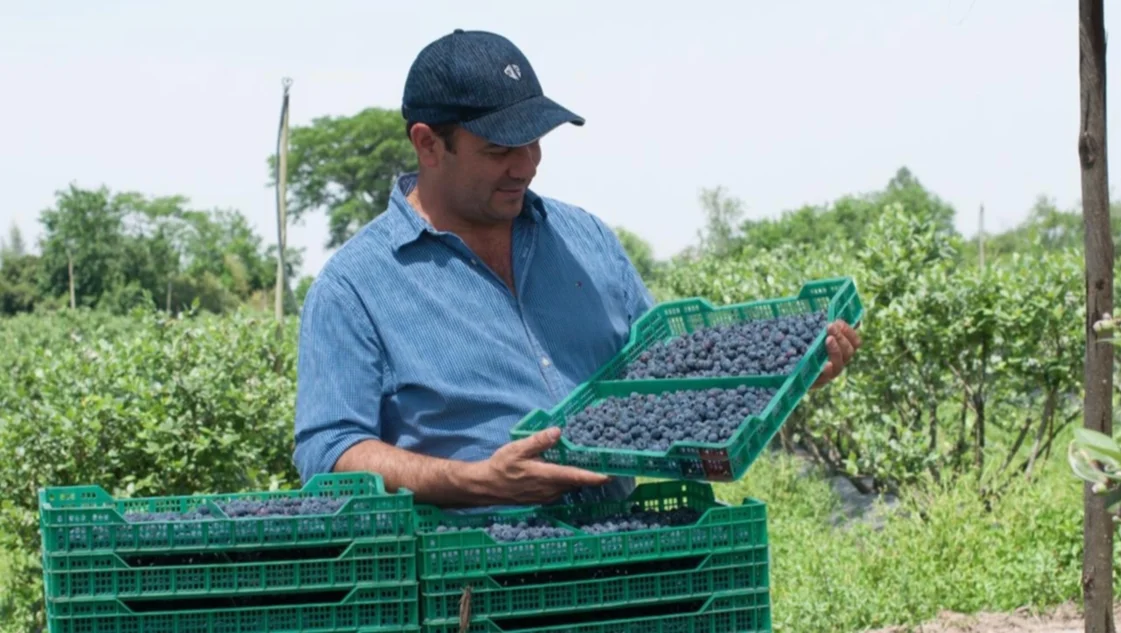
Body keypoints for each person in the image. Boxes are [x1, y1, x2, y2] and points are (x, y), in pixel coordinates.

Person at [292, 29, 861, 510]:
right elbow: (330, 452)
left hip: (616, 553)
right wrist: (476, 480)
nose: (527, 164)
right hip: (471, 570)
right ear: (428, 144)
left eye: (536, 141)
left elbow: (663, 383)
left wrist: (777, 381)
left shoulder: (586, 240)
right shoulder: (355, 287)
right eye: (499, 149)